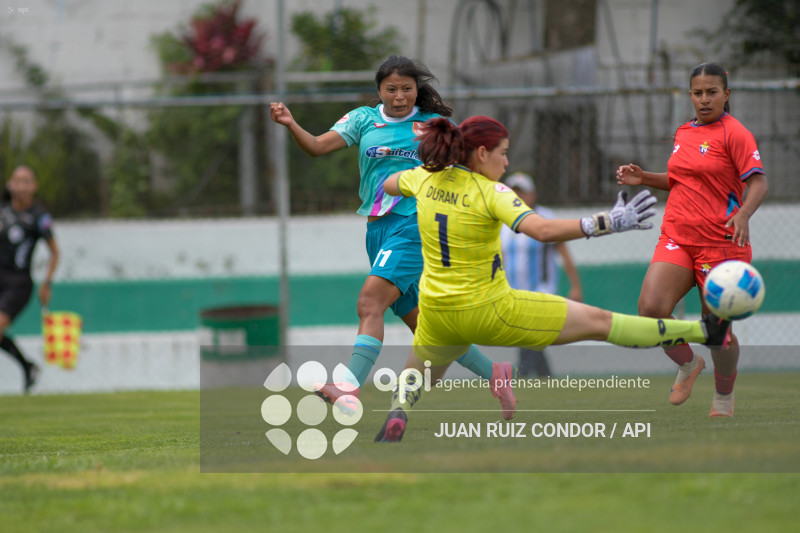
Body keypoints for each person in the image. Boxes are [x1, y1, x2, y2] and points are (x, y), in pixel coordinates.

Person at [374, 115, 733, 442]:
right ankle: (704, 332)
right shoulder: (490, 192)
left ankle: (398, 412)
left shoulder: (422, 178)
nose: (507, 161)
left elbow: (390, 184)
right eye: (503, 153)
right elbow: (543, 230)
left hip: (437, 313)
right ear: (482, 153)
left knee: (423, 374)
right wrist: (606, 222)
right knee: (601, 322)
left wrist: (426, 169)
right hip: (492, 311)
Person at [269, 55, 516, 417]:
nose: (400, 96)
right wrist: (291, 124)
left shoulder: (435, 126)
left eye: (407, 89)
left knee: (370, 303)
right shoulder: (362, 119)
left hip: (415, 223)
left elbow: (470, 165)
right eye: (392, 89)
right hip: (378, 227)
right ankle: (496, 375)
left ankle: (348, 387)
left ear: (417, 90)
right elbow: (318, 147)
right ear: (379, 90)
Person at [616, 62, 768, 417]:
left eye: (712, 92)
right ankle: (688, 363)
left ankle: (724, 396)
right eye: (697, 93)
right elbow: (682, 180)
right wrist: (645, 178)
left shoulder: (736, 134)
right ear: (690, 95)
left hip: (722, 243)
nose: (704, 99)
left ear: (726, 95)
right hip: (679, 236)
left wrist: (743, 214)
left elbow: (758, 182)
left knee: (717, 331)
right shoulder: (684, 132)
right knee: (650, 309)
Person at [501, 172, 582, 377]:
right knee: (528, 332)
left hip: (541, 287)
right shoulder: (503, 220)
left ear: (532, 194)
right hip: (512, 288)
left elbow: (563, 251)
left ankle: (523, 371)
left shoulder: (545, 217)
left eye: (522, 192)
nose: (518, 196)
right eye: (514, 192)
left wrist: (575, 285)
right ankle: (544, 374)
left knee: (529, 331)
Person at [0, 166, 59, 394]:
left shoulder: (39, 216)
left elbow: (55, 252)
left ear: (34, 186)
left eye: (26, 182)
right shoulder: (3, 211)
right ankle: (27, 367)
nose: (21, 186)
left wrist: (47, 282)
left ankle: (27, 367)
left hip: (18, 283)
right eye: (17, 181)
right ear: (10, 184)